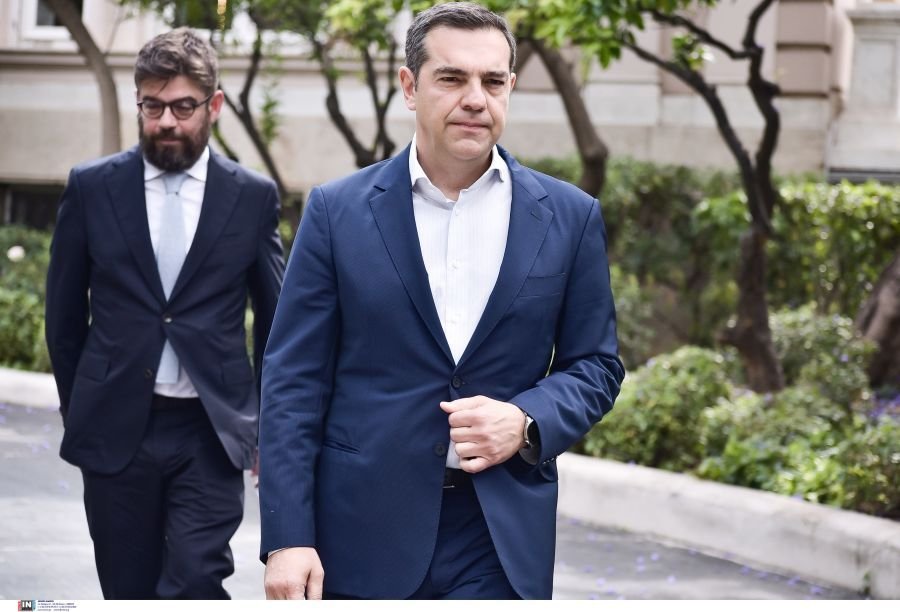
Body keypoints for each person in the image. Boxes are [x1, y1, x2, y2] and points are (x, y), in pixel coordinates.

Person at [258, 1, 624, 600]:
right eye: (452, 78)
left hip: (499, 537)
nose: (475, 99)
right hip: (361, 533)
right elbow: (293, 381)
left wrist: (527, 420)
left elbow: (597, 365)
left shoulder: (570, 216)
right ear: (410, 86)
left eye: (493, 81)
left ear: (510, 88)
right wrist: (287, 537)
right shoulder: (335, 212)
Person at [44, 28, 285, 599]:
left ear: (214, 105)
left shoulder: (251, 196)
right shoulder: (92, 187)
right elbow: (62, 318)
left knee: (196, 580)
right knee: (126, 589)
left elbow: (276, 325)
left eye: (182, 107)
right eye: (152, 107)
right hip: (116, 425)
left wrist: (267, 428)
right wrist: (82, 408)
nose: (166, 122)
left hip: (209, 428)